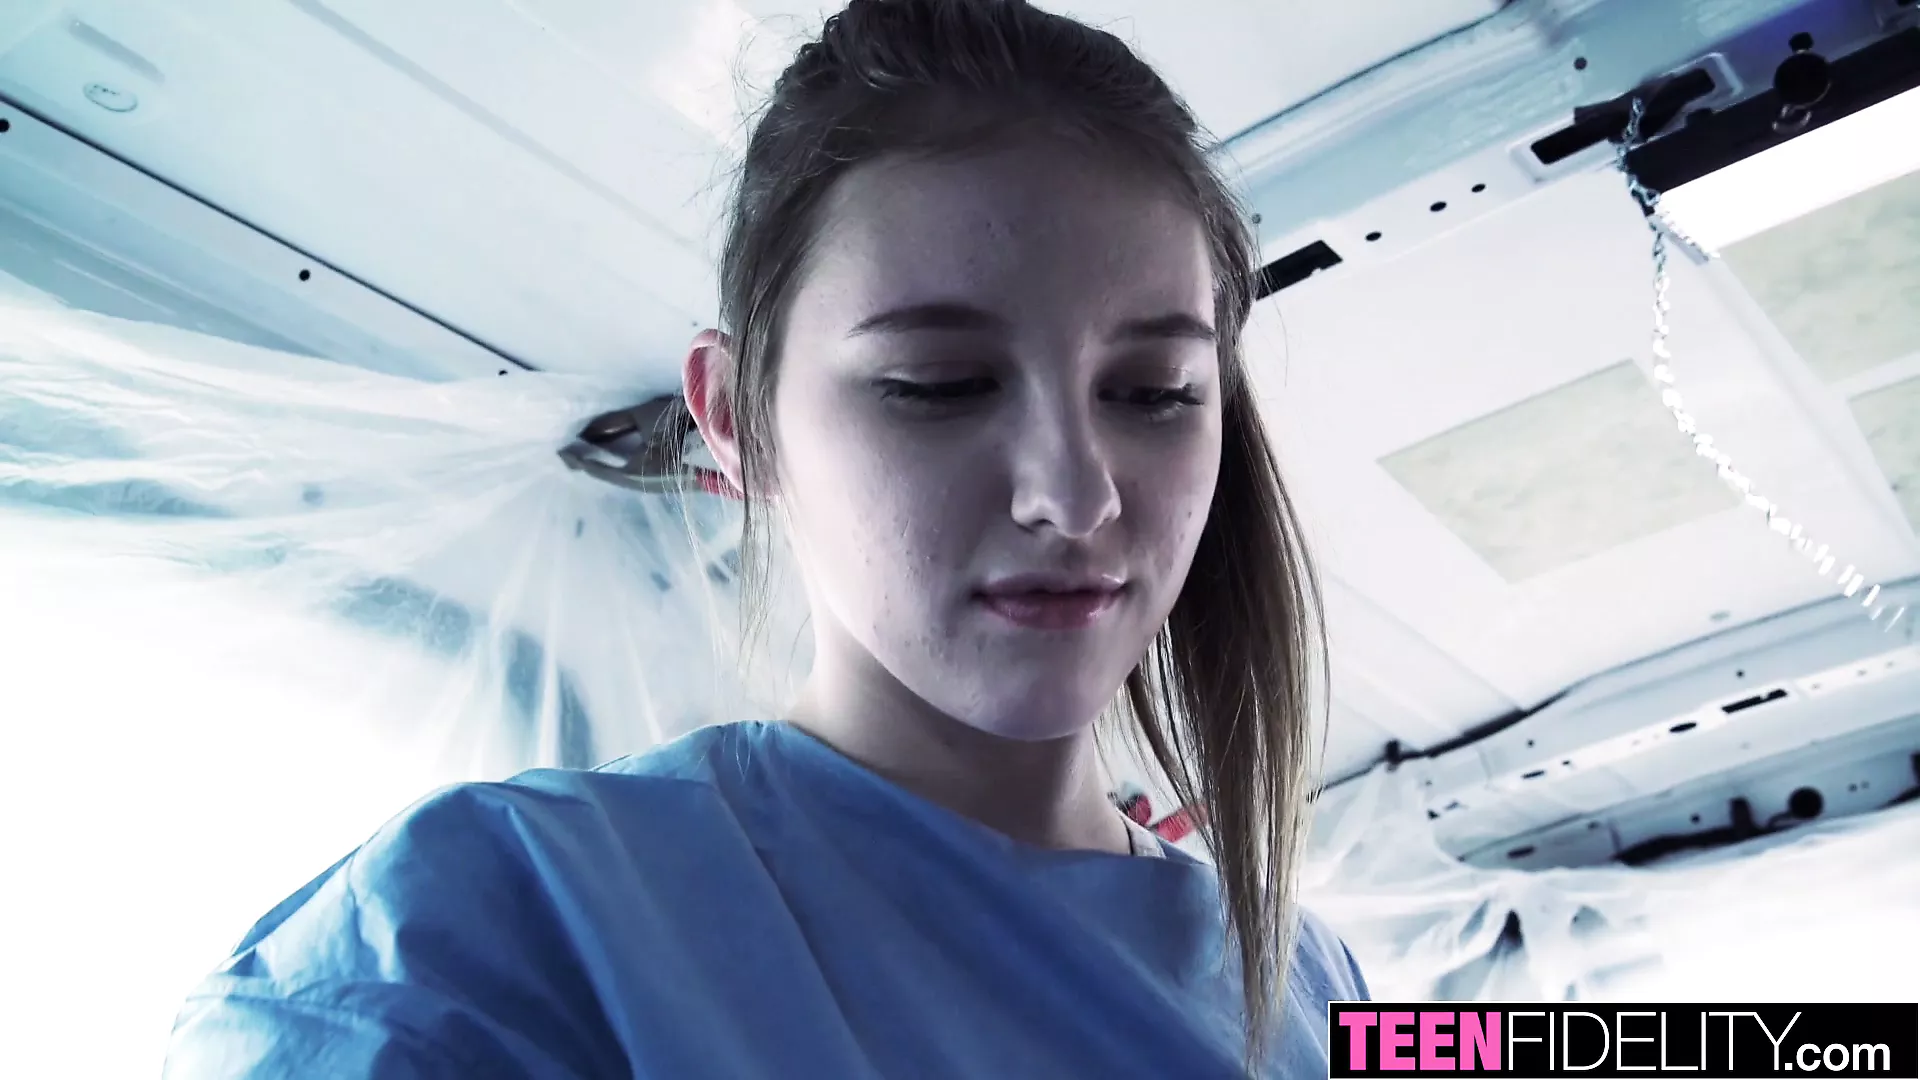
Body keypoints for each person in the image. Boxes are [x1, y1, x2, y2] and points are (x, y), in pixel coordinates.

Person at [163, 0, 1369, 1075]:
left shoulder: (1319, 986)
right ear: (739, 420)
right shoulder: (483, 939)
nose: (1076, 493)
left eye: (1155, 392)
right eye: (939, 385)